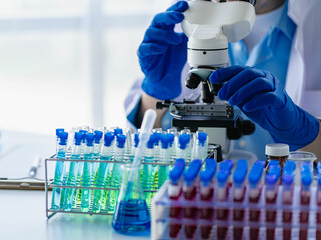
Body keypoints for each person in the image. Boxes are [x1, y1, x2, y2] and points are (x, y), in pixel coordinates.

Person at [125, 0, 321, 160]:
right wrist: (154, 91)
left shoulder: (314, 23)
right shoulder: (182, 21)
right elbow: (143, 145)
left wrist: (307, 132)